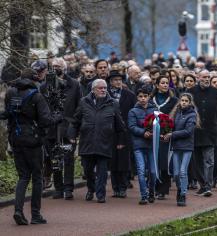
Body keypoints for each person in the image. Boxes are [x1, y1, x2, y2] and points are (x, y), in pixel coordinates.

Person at [2, 68, 60, 225]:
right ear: (34, 80)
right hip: (33, 141)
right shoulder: (36, 96)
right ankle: (35, 214)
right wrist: (58, 117)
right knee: (37, 176)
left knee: (23, 176)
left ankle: (18, 211)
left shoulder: (10, 93)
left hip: (16, 138)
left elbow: (6, 114)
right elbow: (45, 121)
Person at [68, 79, 126, 203]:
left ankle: (101, 194)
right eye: (100, 88)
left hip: (104, 143)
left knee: (102, 171)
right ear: (93, 90)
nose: (103, 90)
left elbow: (120, 125)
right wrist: (72, 135)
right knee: (88, 171)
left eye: (105, 88)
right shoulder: (84, 102)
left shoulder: (113, 103)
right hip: (87, 142)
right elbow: (75, 121)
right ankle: (91, 188)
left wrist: (121, 141)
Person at [40, 57, 81, 200]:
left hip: (68, 127)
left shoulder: (74, 84)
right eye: (53, 66)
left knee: (68, 158)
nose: (55, 68)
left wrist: (75, 127)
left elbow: (79, 107)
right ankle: (58, 188)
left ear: (64, 67)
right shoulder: (44, 86)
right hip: (51, 129)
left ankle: (68, 188)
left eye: (58, 66)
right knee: (54, 159)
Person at [188, 69, 217, 196]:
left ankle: (208, 186)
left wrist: (216, 126)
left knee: (209, 160)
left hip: (210, 132)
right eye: (204, 77)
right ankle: (202, 184)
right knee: (197, 161)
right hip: (196, 132)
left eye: (208, 77)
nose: (207, 79)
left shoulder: (215, 92)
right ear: (198, 77)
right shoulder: (191, 92)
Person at [163, 93, 199, 206]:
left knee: (183, 172)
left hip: (187, 147)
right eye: (182, 100)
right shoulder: (176, 113)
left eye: (186, 101)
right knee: (176, 173)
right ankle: (179, 189)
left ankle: (183, 194)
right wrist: (164, 132)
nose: (183, 102)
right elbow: (171, 126)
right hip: (176, 146)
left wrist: (172, 134)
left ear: (190, 102)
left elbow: (188, 131)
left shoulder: (192, 115)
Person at [150, 70, 179, 200]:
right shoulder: (151, 100)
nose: (165, 85)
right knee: (152, 161)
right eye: (162, 83)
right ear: (157, 85)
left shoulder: (174, 101)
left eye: (167, 83)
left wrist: (170, 131)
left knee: (164, 162)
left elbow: (176, 117)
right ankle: (152, 187)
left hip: (166, 135)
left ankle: (163, 189)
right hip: (151, 135)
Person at [108, 70, 136, 198]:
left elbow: (133, 113)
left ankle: (123, 186)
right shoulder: (106, 95)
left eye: (120, 80)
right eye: (115, 80)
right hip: (110, 132)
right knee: (112, 161)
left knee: (124, 160)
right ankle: (115, 187)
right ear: (110, 82)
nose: (118, 82)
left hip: (125, 132)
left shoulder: (129, 95)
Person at [128, 86, 158, 204]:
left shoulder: (155, 110)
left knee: (153, 171)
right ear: (137, 97)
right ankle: (143, 195)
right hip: (139, 144)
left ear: (149, 97)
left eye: (145, 96)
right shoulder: (133, 111)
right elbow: (131, 126)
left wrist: (157, 131)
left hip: (152, 144)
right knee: (141, 170)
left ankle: (151, 192)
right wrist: (143, 132)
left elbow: (160, 123)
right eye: (140, 96)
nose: (143, 99)